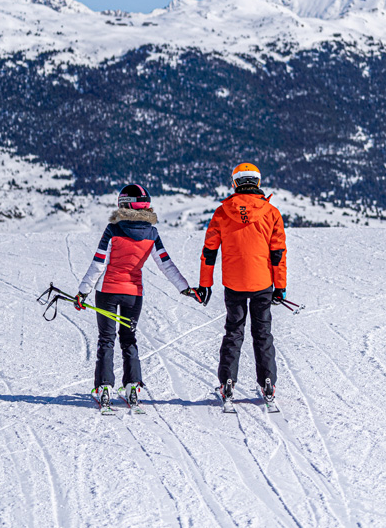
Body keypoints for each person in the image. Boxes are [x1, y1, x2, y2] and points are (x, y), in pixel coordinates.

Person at [76, 184, 202, 410]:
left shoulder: (113, 230)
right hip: (134, 295)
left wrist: (83, 291)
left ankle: (104, 388)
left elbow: (98, 263)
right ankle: (132, 387)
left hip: (107, 292)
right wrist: (184, 288)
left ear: (123, 205)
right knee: (129, 338)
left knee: (107, 339)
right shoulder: (152, 233)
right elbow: (166, 264)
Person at [196, 163, 287, 405]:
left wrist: (205, 284)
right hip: (263, 283)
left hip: (234, 283)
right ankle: (268, 383)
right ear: (257, 182)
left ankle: (227, 383)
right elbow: (278, 253)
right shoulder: (271, 212)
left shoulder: (223, 212)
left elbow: (209, 251)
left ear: (235, 183)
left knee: (234, 332)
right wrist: (280, 287)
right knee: (262, 333)